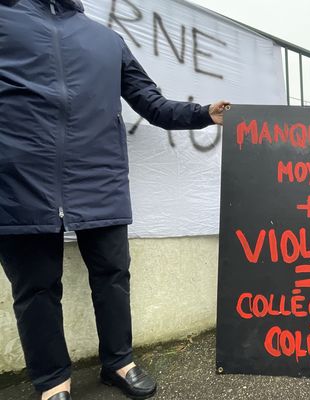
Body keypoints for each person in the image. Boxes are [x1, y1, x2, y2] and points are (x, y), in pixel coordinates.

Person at [0, 1, 229, 400]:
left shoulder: (106, 38)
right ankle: (53, 382)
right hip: (19, 178)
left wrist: (204, 113)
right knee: (34, 288)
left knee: (113, 277)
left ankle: (119, 362)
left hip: (98, 176)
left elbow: (151, 103)